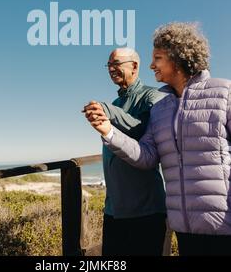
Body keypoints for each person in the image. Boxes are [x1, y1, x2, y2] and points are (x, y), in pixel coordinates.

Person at [84, 23, 231, 256]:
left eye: (158, 58)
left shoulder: (224, 93)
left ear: (178, 56)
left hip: (224, 223)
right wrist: (108, 132)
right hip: (185, 226)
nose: (152, 65)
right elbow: (148, 156)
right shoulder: (162, 108)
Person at [83, 48, 167, 256]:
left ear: (135, 66)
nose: (111, 69)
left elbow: (142, 130)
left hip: (146, 211)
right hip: (113, 210)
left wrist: (108, 112)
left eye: (116, 63)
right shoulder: (116, 103)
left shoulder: (154, 96)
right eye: (109, 65)